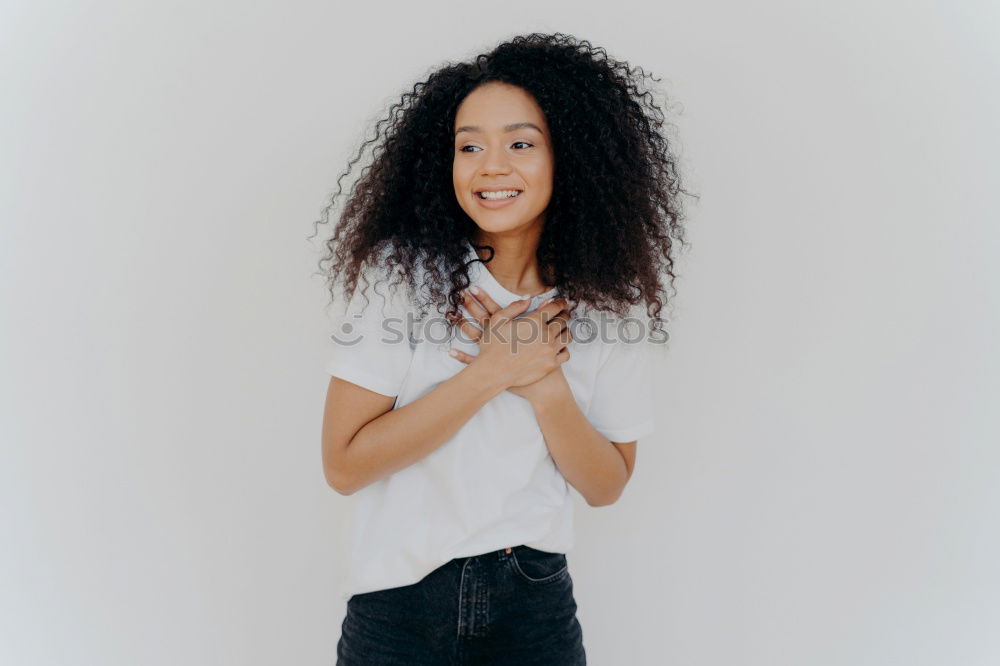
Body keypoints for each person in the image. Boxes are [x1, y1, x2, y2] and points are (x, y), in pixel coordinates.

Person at [312, 32, 693, 666]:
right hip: (400, 606)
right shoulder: (403, 280)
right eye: (470, 147)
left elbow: (606, 485)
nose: (492, 166)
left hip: (535, 603)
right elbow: (344, 466)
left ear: (567, 158)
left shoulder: (606, 302)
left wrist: (545, 388)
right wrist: (491, 373)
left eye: (521, 144)